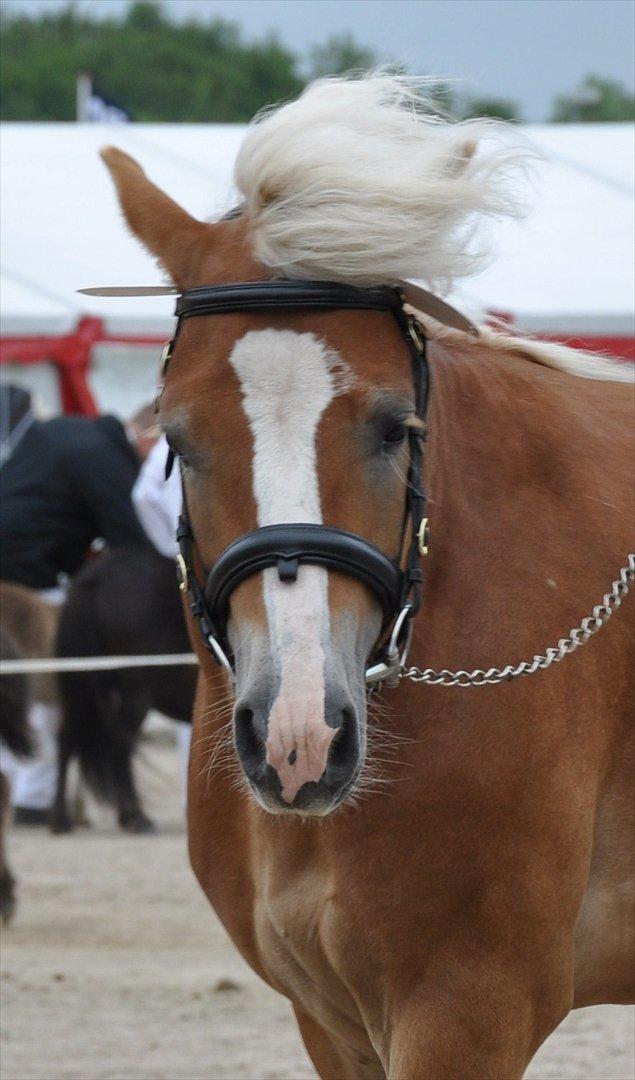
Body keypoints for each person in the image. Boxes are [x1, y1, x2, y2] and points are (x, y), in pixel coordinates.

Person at [0, 387, 160, 823]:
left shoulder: (65, 431)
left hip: (20, 570)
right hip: (25, 584)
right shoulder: (107, 460)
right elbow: (135, 542)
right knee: (52, 692)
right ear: (150, 439)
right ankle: (34, 797)